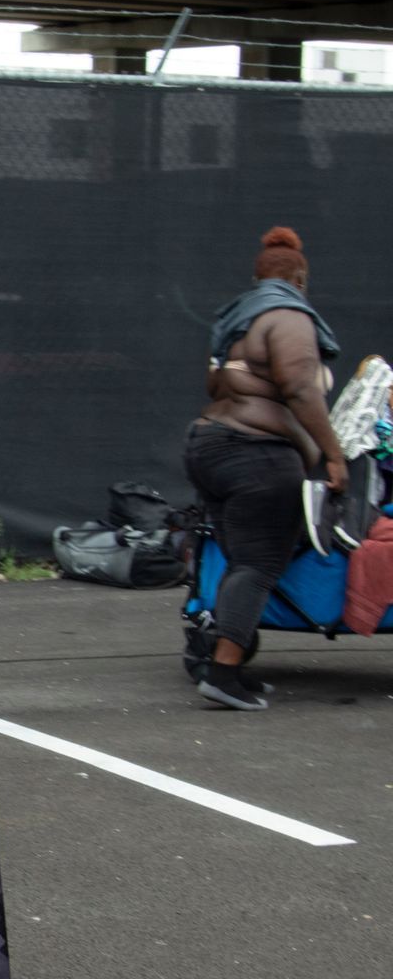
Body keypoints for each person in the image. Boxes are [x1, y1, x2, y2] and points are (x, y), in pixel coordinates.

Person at [185, 226, 342, 711]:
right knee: (260, 563)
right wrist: (332, 454)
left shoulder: (234, 322)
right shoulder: (290, 315)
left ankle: (228, 666)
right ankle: (224, 674)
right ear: (299, 278)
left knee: (240, 559)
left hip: (207, 446)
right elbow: (300, 388)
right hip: (257, 456)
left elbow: (217, 386)